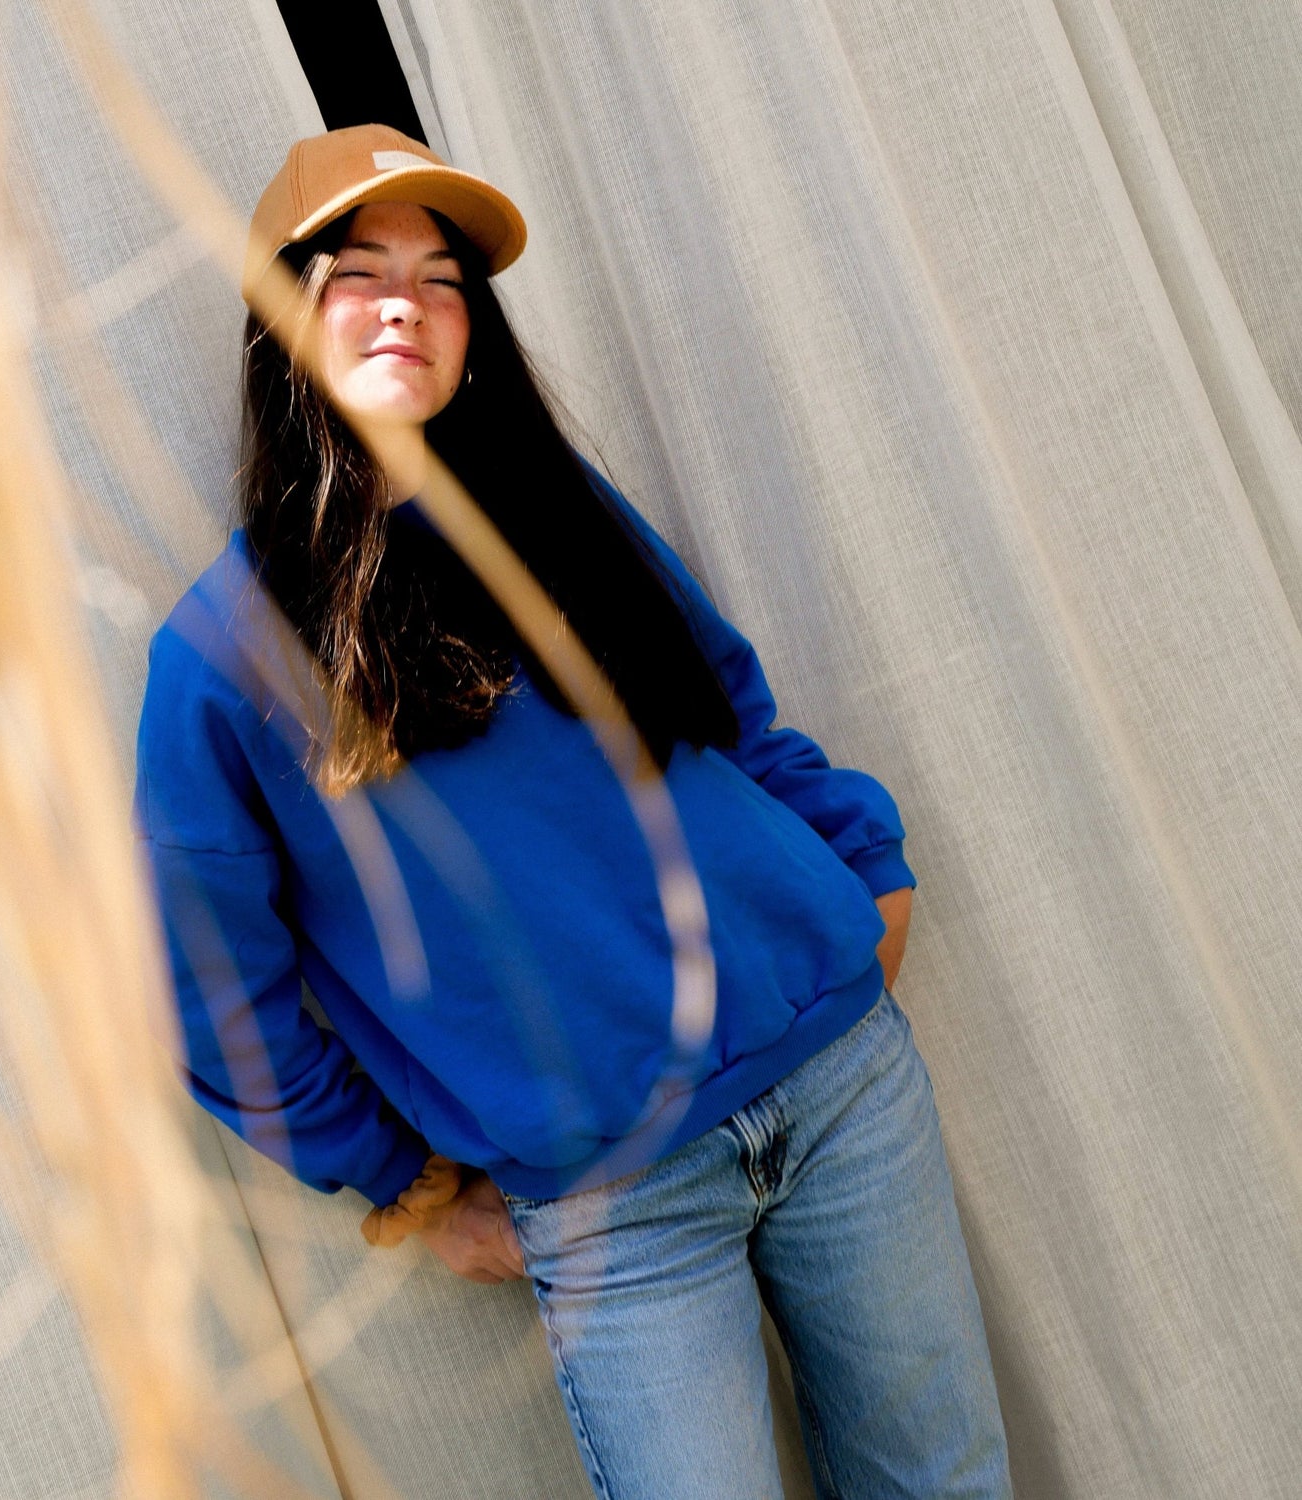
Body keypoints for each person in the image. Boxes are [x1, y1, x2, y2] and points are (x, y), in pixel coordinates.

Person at [134, 122, 1012, 1499]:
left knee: (944, 1481)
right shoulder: (219, 659)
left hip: (846, 1089)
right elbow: (209, 987)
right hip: (616, 1208)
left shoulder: (556, 507)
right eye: (361, 271)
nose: (406, 306)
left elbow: (728, 707)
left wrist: (865, 877)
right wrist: (405, 1185)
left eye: (441, 280)